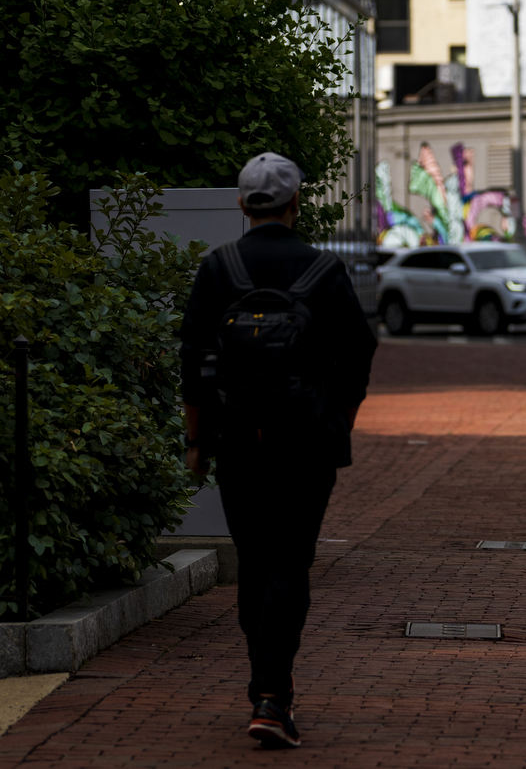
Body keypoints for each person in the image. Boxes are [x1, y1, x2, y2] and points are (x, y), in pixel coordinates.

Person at [179, 153, 377, 749]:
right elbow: (358, 357)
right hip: (306, 444)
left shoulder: (219, 270)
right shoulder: (324, 272)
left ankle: (265, 684)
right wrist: (339, 421)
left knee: (255, 561)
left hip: (238, 440)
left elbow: (194, 364)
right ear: (296, 204)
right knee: (290, 562)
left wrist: (196, 441)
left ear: (243, 205)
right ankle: (272, 694)